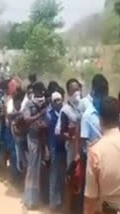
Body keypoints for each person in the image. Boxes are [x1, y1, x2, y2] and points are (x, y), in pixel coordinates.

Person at [80, 74, 109, 214]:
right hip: (93, 162)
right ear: (94, 94)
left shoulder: (109, 113)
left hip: (109, 161)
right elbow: (84, 143)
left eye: (105, 94)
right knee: (93, 198)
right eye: (100, 94)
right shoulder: (87, 116)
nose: (103, 97)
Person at [55, 78, 82, 213]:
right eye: (73, 90)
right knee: (71, 181)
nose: (76, 92)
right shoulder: (65, 110)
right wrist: (70, 136)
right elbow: (59, 132)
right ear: (68, 92)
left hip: (84, 151)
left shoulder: (84, 106)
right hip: (72, 151)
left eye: (78, 89)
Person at [23, 82, 48, 209]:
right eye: (39, 91)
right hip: (32, 138)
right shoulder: (29, 104)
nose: (41, 94)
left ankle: (36, 200)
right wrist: (40, 114)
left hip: (42, 139)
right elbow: (26, 119)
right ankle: (29, 199)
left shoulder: (44, 103)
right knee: (32, 168)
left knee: (39, 169)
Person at [47, 91, 66, 212]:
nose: (58, 102)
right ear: (52, 103)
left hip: (63, 148)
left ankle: (61, 202)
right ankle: (53, 204)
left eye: (60, 100)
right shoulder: (49, 115)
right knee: (54, 177)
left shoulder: (64, 113)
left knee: (62, 176)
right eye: (56, 101)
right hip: (54, 148)